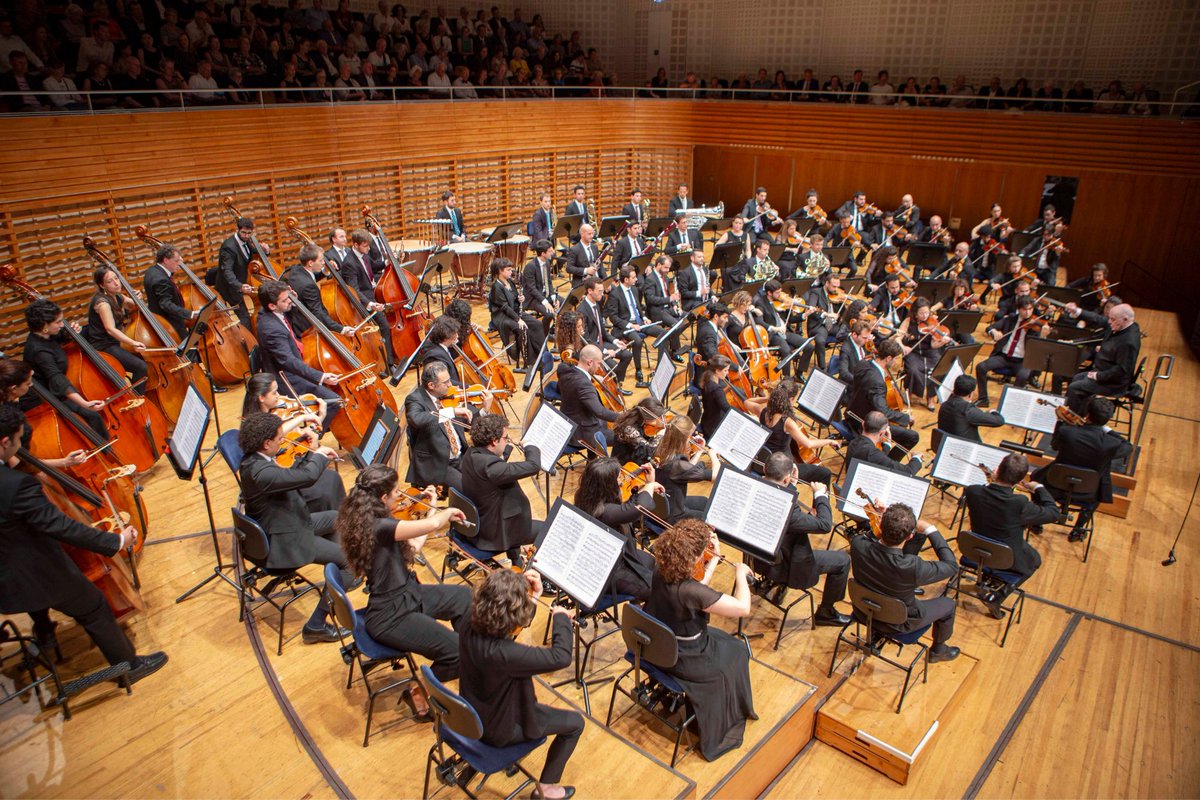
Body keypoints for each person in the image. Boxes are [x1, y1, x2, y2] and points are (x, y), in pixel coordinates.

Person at [0, 405, 168, 684]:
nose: (20, 450)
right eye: (17, 442)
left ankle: (45, 635)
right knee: (94, 607)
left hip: (7, 573)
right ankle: (129, 667)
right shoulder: (17, 485)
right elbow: (60, 526)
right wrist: (115, 540)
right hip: (27, 575)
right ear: (5, 442)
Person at [338, 465, 469, 706]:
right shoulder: (378, 527)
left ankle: (469, 662)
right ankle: (418, 693)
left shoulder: (374, 521)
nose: (401, 495)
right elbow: (430, 528)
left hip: (408, 595)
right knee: (458, 652)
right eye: (396, 492)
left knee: (464, 598)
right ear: (382, 498)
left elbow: (414, 546)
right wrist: (446, 510)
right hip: (391, 615)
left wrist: (430, 510)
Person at [457, 568, 582, 799]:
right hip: (497, 730)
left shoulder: (469, 619)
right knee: (575, 724)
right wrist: (561, 618)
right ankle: (546, 789)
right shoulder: (506, 655)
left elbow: (505, 630)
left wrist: (531, 599)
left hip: (469, 712)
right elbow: (560, 657)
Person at [643, 517, 756, 761]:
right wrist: (740, 575)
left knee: (727, 644)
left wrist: (713, 560)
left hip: (659, 645)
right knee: (737, 649)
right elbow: (742, 607)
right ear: (693, 557)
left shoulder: (660, 569)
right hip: (686, 657)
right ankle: (724, 714)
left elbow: (694, 594)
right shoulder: (690, 590)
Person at [237, 411, 353, 643]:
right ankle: (316, 625)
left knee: (337, 516)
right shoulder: (261, 473)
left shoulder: (255, 460)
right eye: (279, 439)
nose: (283, 441)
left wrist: (303, 444)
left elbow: (290, 473)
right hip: (286, 541)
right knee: (351, 564)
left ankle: (335, 572)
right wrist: (318, 455)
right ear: (266, 442)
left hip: (289, 523)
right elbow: (307, 477)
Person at [850, 503, 960, 662]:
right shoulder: (912, 566)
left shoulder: (858, 544)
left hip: (863, 610)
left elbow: (870, 536)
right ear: (910, 536)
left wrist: (881, 520)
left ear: (880, 525)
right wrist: (931, 529)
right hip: (899, 623)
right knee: (948, 604)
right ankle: (939, 650)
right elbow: (951, 566)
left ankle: (875, 631)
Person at [747, 452, 849, 623]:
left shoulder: (752, 488)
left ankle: (772, 582)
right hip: (790, 566)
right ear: (786, 478)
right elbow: (824, 525)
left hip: (759, 559)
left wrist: (792, 486)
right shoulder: (788, 509)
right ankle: (826, 612)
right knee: (843, 560)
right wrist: (820, 495)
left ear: (764, 469)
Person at [964, 453, 1061, 616]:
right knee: (1034, 560)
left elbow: (989, 495)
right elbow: (1053, 512)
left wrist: (992, 480)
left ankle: (989, 579)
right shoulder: (1019, 503)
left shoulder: (973, 491)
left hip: (974, 547)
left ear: (998, 469)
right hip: (1005, 556)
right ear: (1019, 479)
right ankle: (997, 596)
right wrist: (1038, 488)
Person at [1032, 398, 1132, 541]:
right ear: (1108, 419)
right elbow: (1128, 446)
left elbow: (1054, 445)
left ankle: (1037, 522)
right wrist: (1106, 429)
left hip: (1053, 487)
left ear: (1087, 414)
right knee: (1101, 482)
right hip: (1088, 493)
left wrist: (1060, 421)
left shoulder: (1068, 432)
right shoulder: (1111, 443)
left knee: (1035, 476)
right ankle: (1078, 529)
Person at [242, 372, 342, 510]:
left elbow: (289, 439)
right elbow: (279, 433)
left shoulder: (272, 413)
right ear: (261, 398)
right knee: (327, 485)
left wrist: (320, 418)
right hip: (281, 474)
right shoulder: (257, 426)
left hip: (291, 462)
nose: (279, 396)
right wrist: (301, 418)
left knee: (331, 478)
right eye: (274, 392)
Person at [574, 457, 661, 599]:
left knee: (652, 562)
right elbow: (638, 508)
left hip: (608, 554)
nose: (622, 479)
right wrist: (650, 485)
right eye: (618, 477)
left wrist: (641, 487)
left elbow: (627, 505)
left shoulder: (586, 498)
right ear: (607, 485)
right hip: (609, 570)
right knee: (656, 590)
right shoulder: (604, 512)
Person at [461, 413, 542, 564]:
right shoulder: (492, 468)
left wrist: (507, 448)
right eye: (505, 438)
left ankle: (516, 559)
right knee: (548, 530)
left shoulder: (471, 454)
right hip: (497, 531)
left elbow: (492, 465)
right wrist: (531, 446)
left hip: (485, 519)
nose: (508, 440)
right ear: (493, 441)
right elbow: (534, 466)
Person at [22, 299, 109, 440]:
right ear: (44, 326)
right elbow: (57, 379)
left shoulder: (46, 334)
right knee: (92, 416)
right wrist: (84, 404)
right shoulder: (39, 351)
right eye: (58, 322)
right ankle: (107, 455)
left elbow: (59, 337)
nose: (62, 325)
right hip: (43, 397)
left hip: (55, 388)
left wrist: (71, 332)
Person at [254, 279, 342, 415]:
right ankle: (312, 432)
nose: (290, 300)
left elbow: (285, 314)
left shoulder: (268, 311)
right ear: (272, 306)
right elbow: (288, 361)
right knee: (334, 401)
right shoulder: (270, 329)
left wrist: (290, 300)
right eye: (285, 300)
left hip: (292, 366)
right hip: (287, 378)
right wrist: (321, 376)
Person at [403, 362, 474, 493]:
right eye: (446, 382)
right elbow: (416, 419)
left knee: (483, 479)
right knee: (467, 490)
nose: (451, 385)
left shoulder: (446, 396)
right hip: (438, 463)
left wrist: (484, 410)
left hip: (459, 456)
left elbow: (468, 418)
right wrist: (450, 412)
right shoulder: (415, 399)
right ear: (431, 385)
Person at [846, 339, 920, 459]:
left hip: (852, 412)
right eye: (896, 359)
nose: (897, 362)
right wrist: (906, 418)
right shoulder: (876, 381)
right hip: (863, 423)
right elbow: (883, 412)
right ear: (888, 358)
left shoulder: (863, 363)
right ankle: (887, 462)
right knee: (912, 436)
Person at [1064, 304, 1140, 415]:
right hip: (1103, 371)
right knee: (1076, 378)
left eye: (1112, 319)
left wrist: (1098, 376)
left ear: (1125, 319)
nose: (1109, 322)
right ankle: (1080, 414)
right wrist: (1077, 311)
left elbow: (1121, 370)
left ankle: (1070, 419)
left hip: (1113, 383)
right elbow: (1099, 319)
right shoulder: (1123, 325)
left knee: (1075, 388)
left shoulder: (1129, 342)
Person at [974, 296, 1049, 408]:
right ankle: (983, 399)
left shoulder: (1036, 326)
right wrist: (994, 332)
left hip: (1022, 361)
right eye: (1024, 309)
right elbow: (990, 327)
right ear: (1018, 309)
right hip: (1004, 357)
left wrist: (1043, 336)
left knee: (1023, 376)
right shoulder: (1010, 319)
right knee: (981, 367)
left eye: (1030, 309)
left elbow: (1039, 346)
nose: (1028, 312)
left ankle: (1012, 405)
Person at [759, 380, 839, 483]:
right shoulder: (787, 422)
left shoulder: (764, 411)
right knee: (825, 474)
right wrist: (829, 441)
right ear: (791, 399)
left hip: (766, 460)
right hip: (782, 466)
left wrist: (769, 399)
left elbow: (747, 402)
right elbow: (808, 444)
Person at [85, 266, 149, 392]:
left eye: (116, 278)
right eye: (110, 281)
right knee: (140, 366)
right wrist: (132, 342)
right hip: (104, 346)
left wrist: (138, 298)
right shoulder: (102, 303)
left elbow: (137, 307)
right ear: (102, 285)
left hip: (115, 342)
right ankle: (137, 397)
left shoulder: (118, 296)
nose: (116, 283)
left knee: (145, 358)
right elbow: (110, 329)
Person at [653, 416, 720, 520]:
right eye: (690, 436)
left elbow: (686, 470)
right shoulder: (678, 465)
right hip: (675, 516)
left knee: (704, 502)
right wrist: (713, 455)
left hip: (666, 504)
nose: (692, 438)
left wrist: (698, 452)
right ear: (685, 438)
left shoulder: (661, 448)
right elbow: (716, 475)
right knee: (711, 518)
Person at [282, 244, 356, 337]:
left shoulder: (296, 269)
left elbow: (310, 278)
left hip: (295, 319)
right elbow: (318, 313)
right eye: (321, 260)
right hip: (307, 328)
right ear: (310, 263)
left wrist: (324, 271)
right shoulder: (308, 286)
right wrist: (341, 329)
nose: (324, 262)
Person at [606, 266, 661, 388]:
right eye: (634, 277)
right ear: (626, 279)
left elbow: (638, 308)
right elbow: (613, 317)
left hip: (639, 322)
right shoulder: (615, 294)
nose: (636, 279)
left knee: (663, 333)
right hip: (624, 327)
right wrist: (631, 325)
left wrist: (645, 318)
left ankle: (660, 365)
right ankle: (638, 369)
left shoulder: (634, 290)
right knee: (637, 340)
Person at [557, 343, 620, 449]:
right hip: (582, 434)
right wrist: (624, 417)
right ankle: (608, 464)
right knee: (624, 436)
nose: (599, 367)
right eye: (599, 364)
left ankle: (592, 459)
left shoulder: (565, 371)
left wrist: (590, 377)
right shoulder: (584, 384)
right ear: (590, 362)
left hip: (569, 425)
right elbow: (599, 412)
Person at [488, 257, 545, 371]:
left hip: (513, 312)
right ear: (500, 271)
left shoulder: (509, 282)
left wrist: (520, 299)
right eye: (508, 269)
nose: (511, 272)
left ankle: (542, 355)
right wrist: (518, 319)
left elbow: (514, 299)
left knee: (537, 324)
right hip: (502, 316)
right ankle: (530, 361)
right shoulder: (496, 287)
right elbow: (504, 307)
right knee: (522, 328)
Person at [577, 279, 633, 389]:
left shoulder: (596, 305)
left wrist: (615, 341)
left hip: (602, 342)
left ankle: (618, 385)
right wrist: (605, 351)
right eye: (599, 291)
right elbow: (586, 339)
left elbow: (602, 331)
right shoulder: (582, 310)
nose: (602, 294)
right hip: (592, 347)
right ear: (590, 291)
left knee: (627, 354)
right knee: (614, 367)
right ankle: (612, 386)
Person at [898, 297, 950, 410]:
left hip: (930, 351)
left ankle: (930, 397)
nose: (925, 316)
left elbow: (933, 345)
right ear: (915, 313)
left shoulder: (932, 322)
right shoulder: (908, 321)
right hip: (913, 352)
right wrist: (903, 347)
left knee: (938, 368)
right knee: (913, 370)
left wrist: (941, 342)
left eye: (927, 312)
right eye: (921, 313)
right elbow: (898, 337)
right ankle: (911, 394)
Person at [145, 244, 201, 340]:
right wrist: (190, 314)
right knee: (188, 352)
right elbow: (165, 304)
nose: (180, 263)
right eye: (176, 261)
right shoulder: (161, 280)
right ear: (165, 260)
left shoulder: (152, 270)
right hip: (170, 324)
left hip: (160, 318)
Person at [846, 410, 923, 476]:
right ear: (882, 433)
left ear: (863, 424)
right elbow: (908, 472)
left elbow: (878, 458)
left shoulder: (853, 442)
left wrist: (887, 444)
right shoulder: (873, 454)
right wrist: (917, 458)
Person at [216, 217, 260, 328]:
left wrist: (265, 250)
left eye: (249, 233)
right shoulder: (229, 247)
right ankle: (249, 343)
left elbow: (252, 255)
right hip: (229, 287)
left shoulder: (247, 241)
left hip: (239, 283)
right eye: (243, 232)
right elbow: (227, 270)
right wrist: (239, 286)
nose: (246, 236)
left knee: (245, 317)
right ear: (238, 230)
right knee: (244, 317)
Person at [937, 376, 1004, 443]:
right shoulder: (968, 411)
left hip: (945, 445)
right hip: (965, 448)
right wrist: (992, 411)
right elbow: (999, 421)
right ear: (970, 394)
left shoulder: (944, 404)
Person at [610, 397, 666, 465]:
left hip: (636, 452)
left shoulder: (639, 418)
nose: (660, 420)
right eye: (656, 418)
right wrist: (660, 435)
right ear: (647, 418)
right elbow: (649, 450)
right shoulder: (629, 429)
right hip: (626, 462)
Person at [522, 238, 561, 318]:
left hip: (545, 294)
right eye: (550, 251)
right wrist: (545, 301)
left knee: (565, 304)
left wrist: (553, 297)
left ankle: (554, 329)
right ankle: (544, 330)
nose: (553, 252)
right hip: (533, 298)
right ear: (543, 253)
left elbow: (549, 282)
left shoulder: (546, 262)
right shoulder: (530, 267)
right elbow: (532, 289)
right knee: (549, 314)